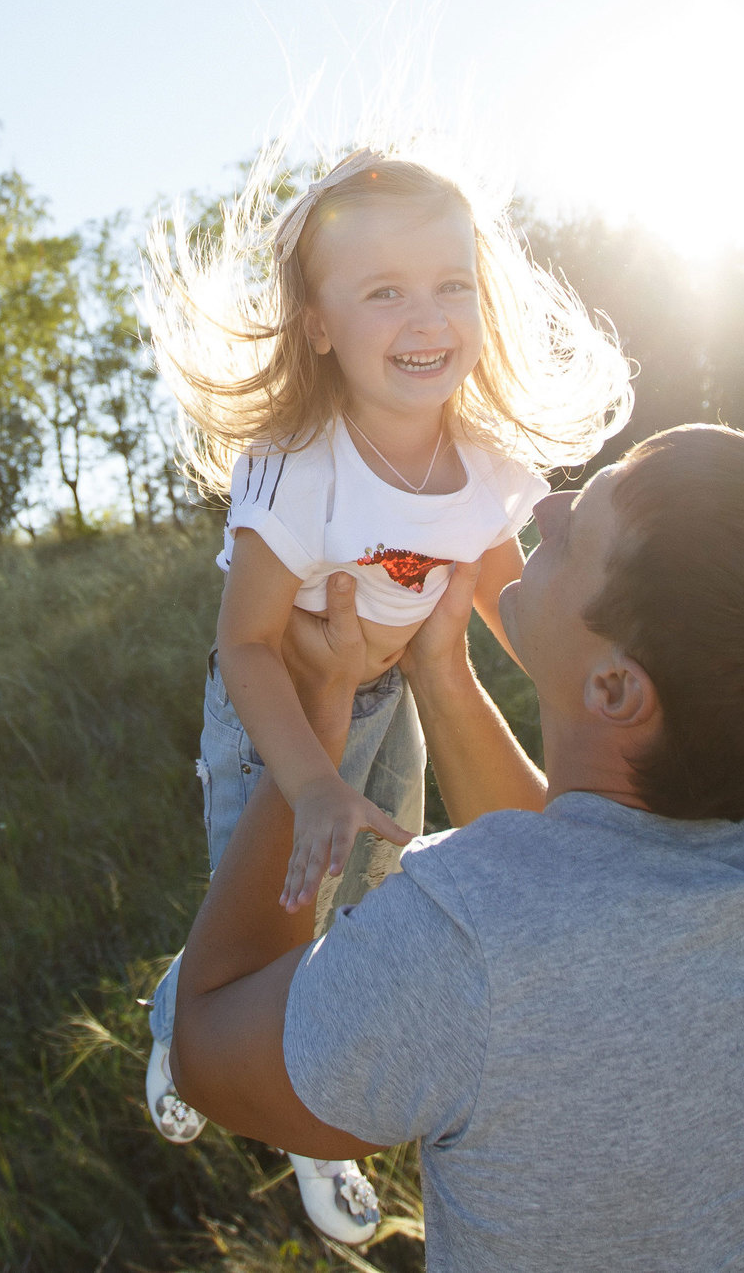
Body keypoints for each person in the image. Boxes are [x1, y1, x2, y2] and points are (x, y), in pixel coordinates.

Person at [169, 424, 744, 1270]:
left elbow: (207, 1040)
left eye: (579, 527)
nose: (545, 504)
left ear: (616, 686)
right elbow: (572, 875)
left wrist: (324, 711)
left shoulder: (462, 952)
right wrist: (441, 671)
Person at [137, 146, 633, 1242]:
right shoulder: (298, 460)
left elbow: (517, 613)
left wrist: (604, 696)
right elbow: (249, 644)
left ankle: (323, 1109)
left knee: (367, 905)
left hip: (389, 700)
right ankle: (187, 1020)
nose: (428, 315)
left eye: (451, 282)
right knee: (266, 911)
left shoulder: (488, 463)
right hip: (277, 724)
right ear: (317, 324)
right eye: (384, 290)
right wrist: (310, 780)